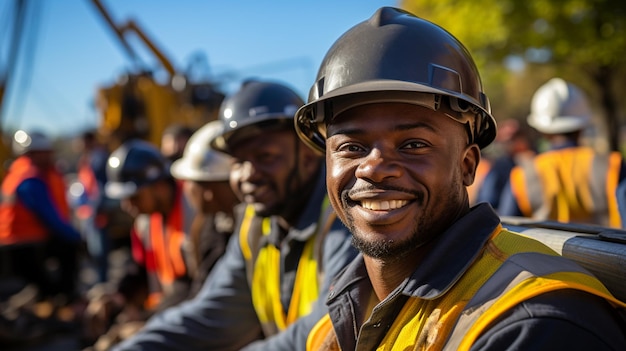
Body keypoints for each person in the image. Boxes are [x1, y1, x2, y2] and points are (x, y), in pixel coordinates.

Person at [294, 7, 626, 350]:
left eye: (413, 145)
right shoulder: (345, 309)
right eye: (351, 147)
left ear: (467, 165)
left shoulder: (535, 326)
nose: (373, 168)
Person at [113, 80, 357, 350]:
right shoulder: (255, 225)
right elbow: (211, 315)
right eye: (238, 161)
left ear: (310, 154)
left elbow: (325, 331)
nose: (247, 175)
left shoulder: (346, 219)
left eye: (265, 156)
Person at [84, 139, 194, 349]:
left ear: (160, 187)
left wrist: (149, 321)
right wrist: (117, 297)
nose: (127, 206)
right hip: (167, 314)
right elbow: (140, 268)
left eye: (134, 196)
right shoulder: (145, 222)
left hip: (190, 323)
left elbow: (199, 285)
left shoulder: (194, 213)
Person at [498, 78, 625, 228]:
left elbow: (507, 230)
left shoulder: (523, 175)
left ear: (542, 130)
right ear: (582, 125)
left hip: (540, 252)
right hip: (607, 251)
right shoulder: (612, 165)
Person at [0, 130, 81, 302]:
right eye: (45, 152)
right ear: (32, 153)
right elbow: (48, 214)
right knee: (67, 250)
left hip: (18, 241)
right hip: (25, 243)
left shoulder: (19, 174)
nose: (50, 156)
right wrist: (75, 237)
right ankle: (65, 299)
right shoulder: (30, 179)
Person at [169, 120, 240, 297]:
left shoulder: (249, 229)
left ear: (208, 190)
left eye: (189, 182)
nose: (184, 188)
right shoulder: (209, 226)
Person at [475, 119, 536, 209]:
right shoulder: (501, 167)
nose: (510, 143)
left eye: (514, 138)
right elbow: (487, 200)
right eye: (508, 139)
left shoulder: (534, 162)